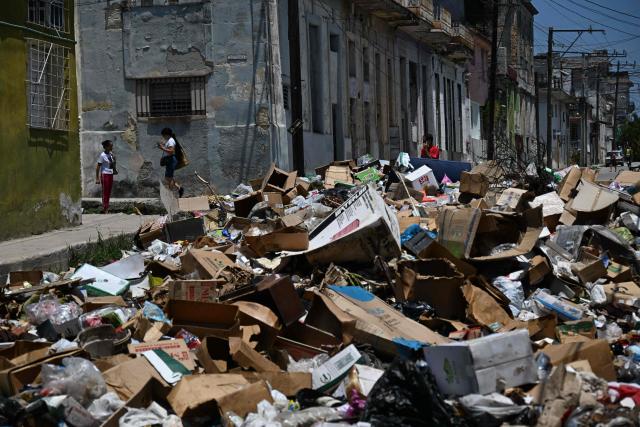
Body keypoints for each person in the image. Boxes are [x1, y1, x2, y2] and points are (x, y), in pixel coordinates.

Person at [157, 127, 184, 197]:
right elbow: (169, 150)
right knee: (168, 177)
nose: (163, 137)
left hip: (171, 160)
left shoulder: (171, 141)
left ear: (166, 134)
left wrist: (162, 148)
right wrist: (163, 146)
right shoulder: (169, 140)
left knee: (169, 177)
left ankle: (171, 194)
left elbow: (171, 151)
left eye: (163, 135)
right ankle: (179, 188)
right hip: (170, 160)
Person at [95, 140, 117, 214]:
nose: (112, 147)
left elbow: (112, 164)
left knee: (109, 191)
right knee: (105, 192)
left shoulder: (110, 154)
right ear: (107, 146)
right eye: (111, 145)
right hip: (105, 174)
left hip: (110, 174)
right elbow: (98, 166)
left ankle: (106, 207)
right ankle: (105, 208)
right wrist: (97, 178)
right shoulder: (102, 155)